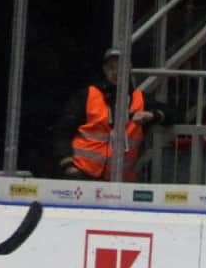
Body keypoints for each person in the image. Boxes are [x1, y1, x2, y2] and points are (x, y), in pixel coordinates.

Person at [52, 47, 170, 180]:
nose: (115, 72)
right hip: (82, 174)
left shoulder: (140, 99)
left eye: (120, 67)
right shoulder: (88, 95)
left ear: (129, 68)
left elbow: (174, 112)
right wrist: (68, 165)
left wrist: (154, 115)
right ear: (104, 70)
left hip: (120, 181)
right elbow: (62, 130)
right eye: (110, 67)